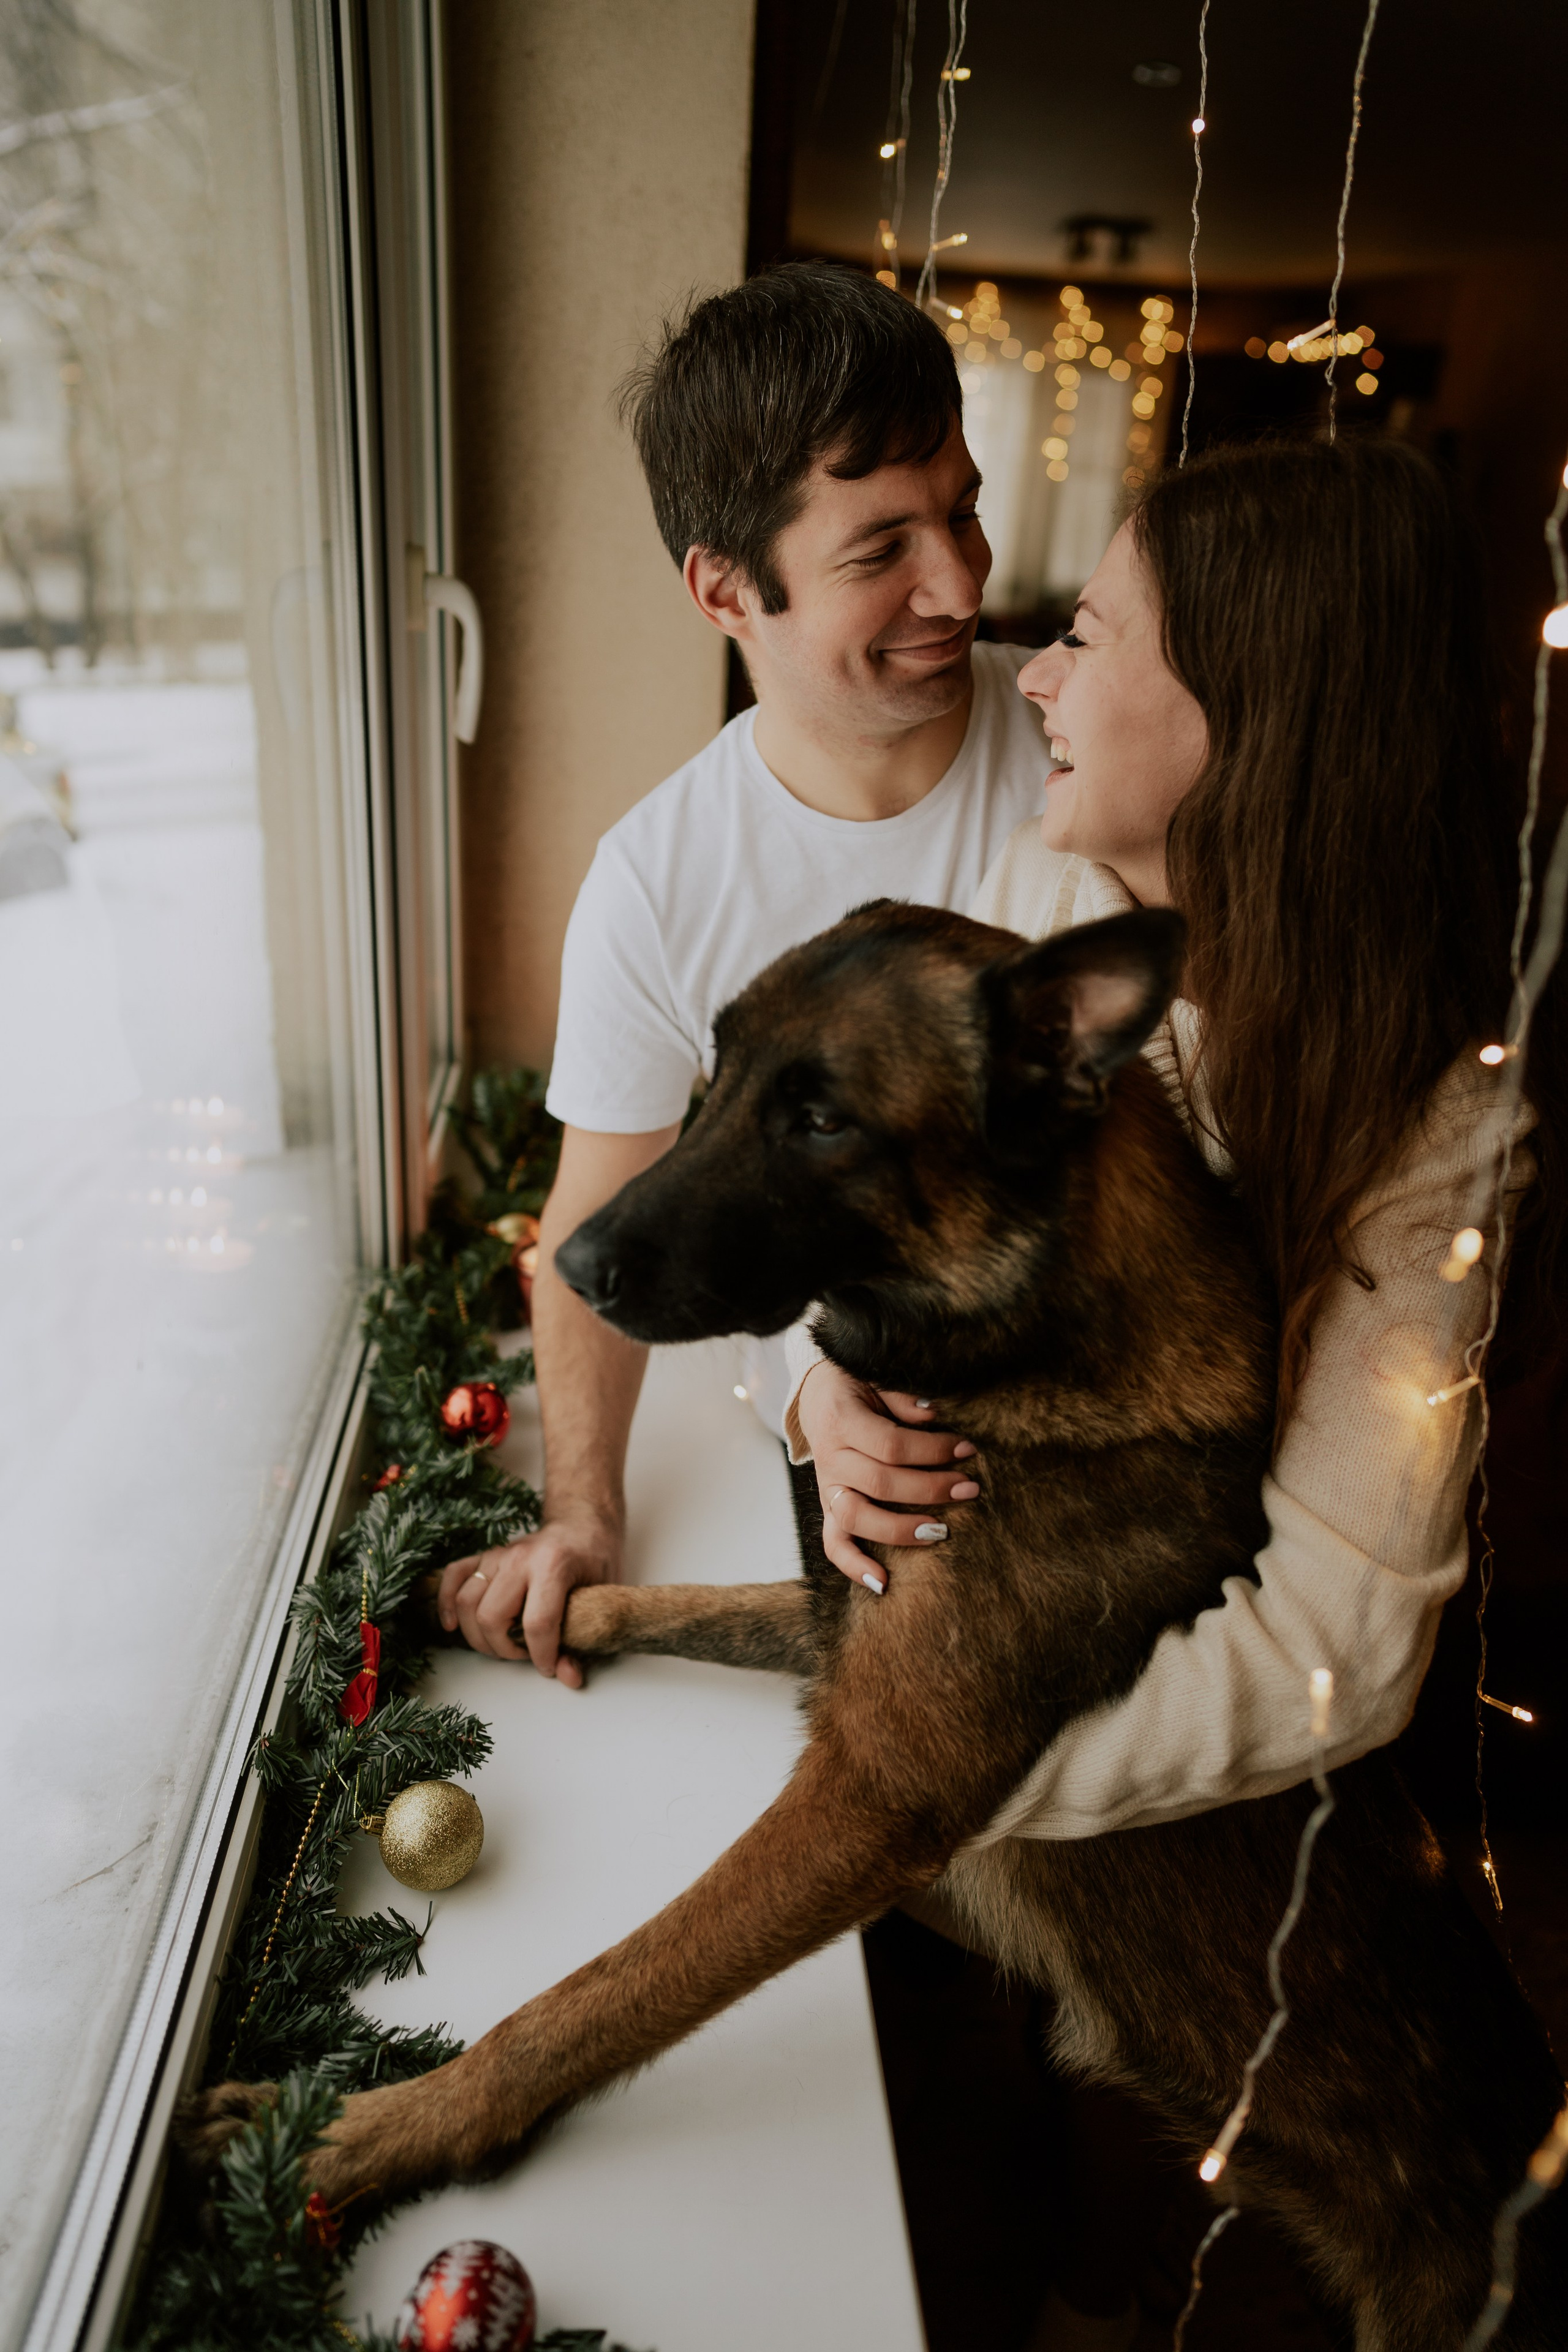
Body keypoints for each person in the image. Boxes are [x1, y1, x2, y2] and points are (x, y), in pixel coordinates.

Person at [785, 434, 1568, 2345]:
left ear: (1249, 712)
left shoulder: (1435, 1135)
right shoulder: (1079, 974)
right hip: (1037, 1817)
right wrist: (823, 1408)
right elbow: (857, 1238)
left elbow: (1333, 1649)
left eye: (1091, 631)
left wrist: (939, 1789)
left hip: (1283, 1935)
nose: (1031, 671)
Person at [439, 263, 1053, 1678]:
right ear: (725, 590)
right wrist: (586, 1514)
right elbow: (594, 1214)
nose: (959, 584)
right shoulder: (656, 882)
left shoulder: (1078, 748)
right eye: (878, 549)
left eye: (960, 507)